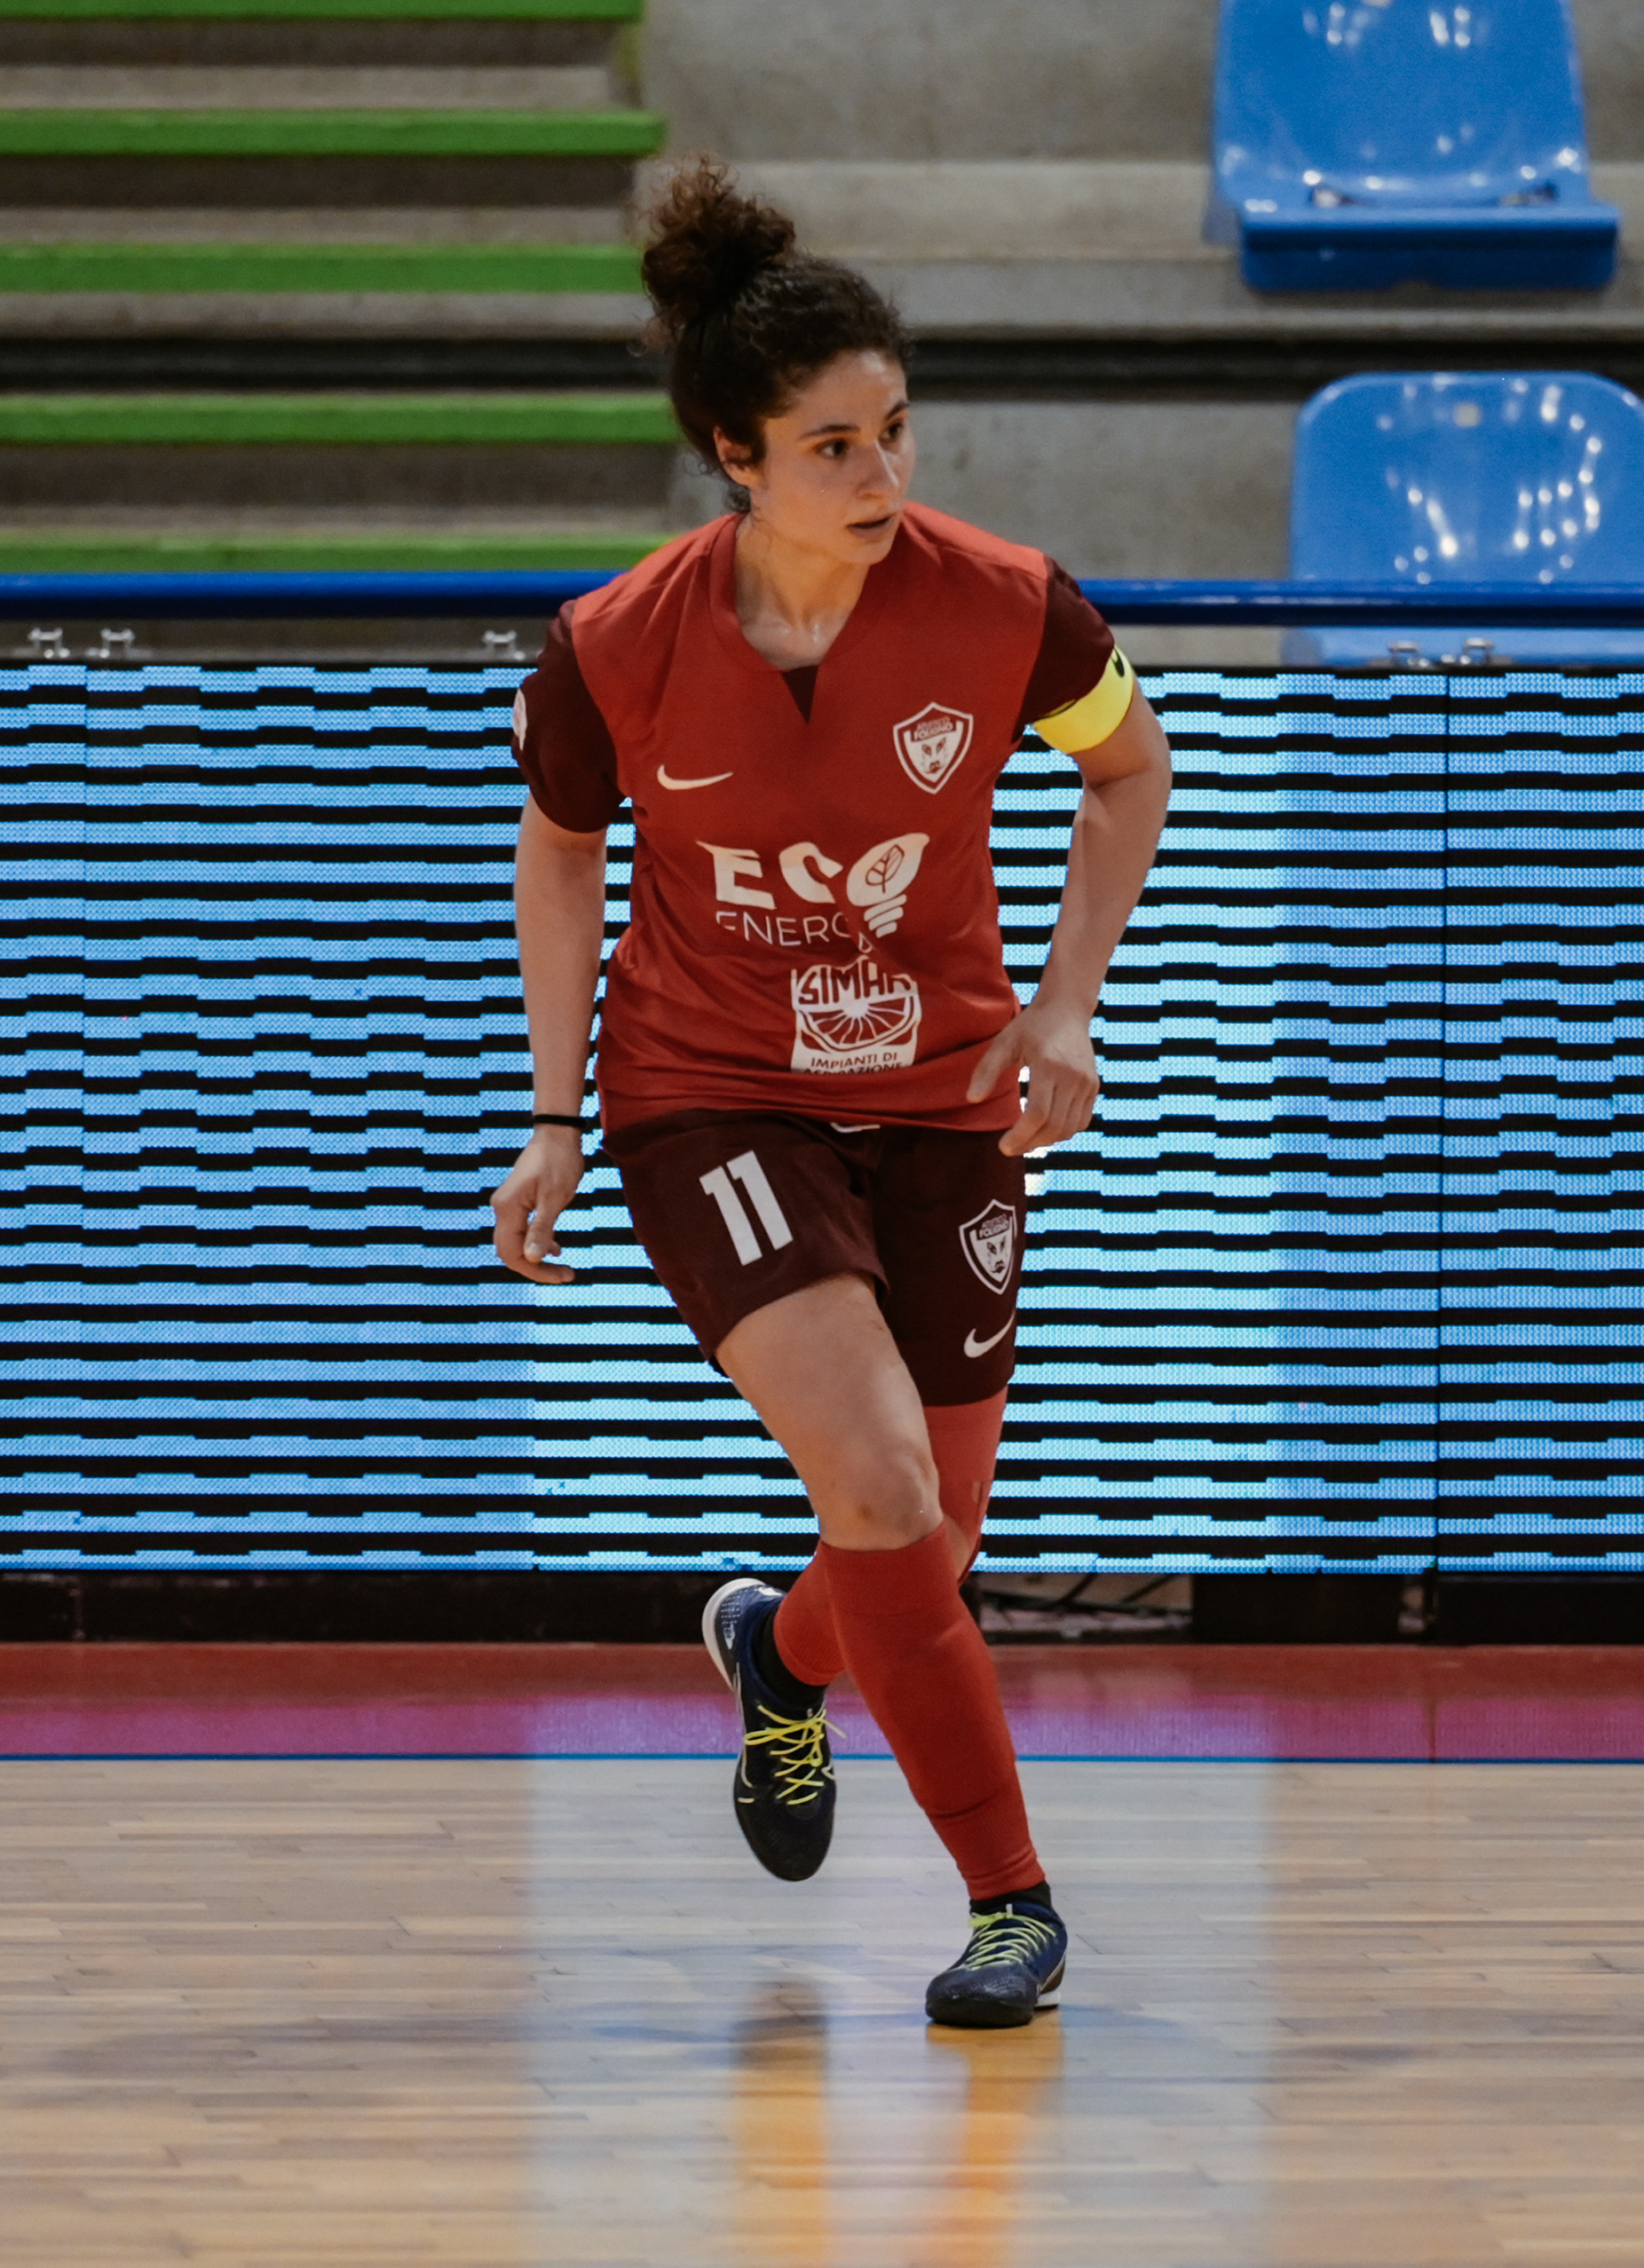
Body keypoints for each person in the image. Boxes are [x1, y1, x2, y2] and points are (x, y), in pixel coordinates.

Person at [489, 158, 1171, 2029]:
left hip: (948, 1097)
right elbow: (562, 851)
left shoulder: (1010, 606)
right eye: (834, 449)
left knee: (920, 1542)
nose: (882, 478)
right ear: (737, 456)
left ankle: (777, 1661)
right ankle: (1014, 1902)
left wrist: (1066, 1006)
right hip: (712, 1095)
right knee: (873, 1480)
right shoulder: (614, 648)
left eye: (896, 434)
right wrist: (553, 1115)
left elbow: (1129, 771)